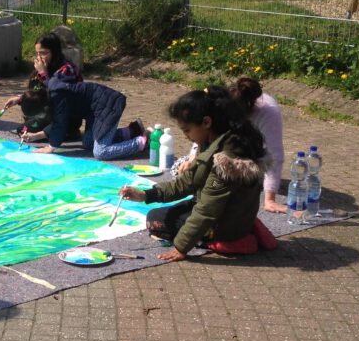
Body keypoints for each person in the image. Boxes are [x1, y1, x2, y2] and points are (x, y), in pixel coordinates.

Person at [119, 88, 268, 263]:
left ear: (206, 122)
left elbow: (207, 210)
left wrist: (181, 247)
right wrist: (146, 194)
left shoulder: (227, 157)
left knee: (155, 220)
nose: (185, 136)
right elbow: (187, 182)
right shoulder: (215, 140)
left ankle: (226, 242)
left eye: (187, 130)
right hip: (225, 211)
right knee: (163, 213)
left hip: (223, 224)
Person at [21, 79, 147, 160]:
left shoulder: (57, 97)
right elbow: (60, 122)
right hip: (95, 110)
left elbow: (60, 125)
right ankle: (131, 131)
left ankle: (142, 141)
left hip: (108, 105)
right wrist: (36, 136)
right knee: (88, 143)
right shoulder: (47, 94)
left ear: (40, 107)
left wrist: (51, 147)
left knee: (101, 152)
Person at [231, 77, 286, 214]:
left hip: (253, 151)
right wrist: (193, 157)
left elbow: (274, 155)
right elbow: (204, 131)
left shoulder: (269, 112)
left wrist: (270, 199)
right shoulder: (219, 104)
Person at [1, 31, 82, 114]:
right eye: (37, 53)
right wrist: (20, 98)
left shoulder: (67, 69)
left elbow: (57, 93)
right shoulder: (47, 67)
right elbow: (38, 91)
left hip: (67, 114)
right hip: (51, 113)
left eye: (43, 53)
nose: (39, 57)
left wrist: (43, 73)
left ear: (54, 52)